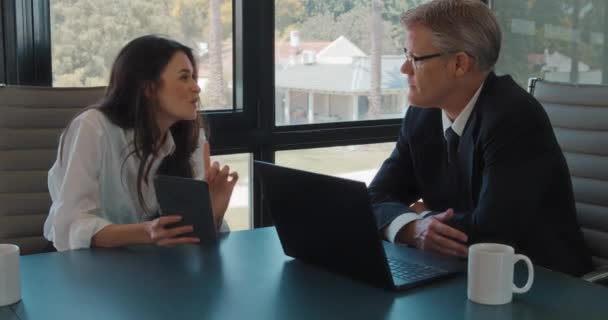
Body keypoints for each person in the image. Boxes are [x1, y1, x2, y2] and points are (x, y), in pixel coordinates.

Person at [368, 0, 592, 276]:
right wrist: (410, 227)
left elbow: (491, 231)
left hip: (539, 283)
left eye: (415, 58)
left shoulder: (514, 116)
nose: (404, 68)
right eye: (406, 54)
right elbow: (376, 196)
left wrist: (421, 220)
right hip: (457, 272)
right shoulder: (421, 116)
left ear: (460, 63)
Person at [44, 35, 238, 251]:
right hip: (92, 270)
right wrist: (146, 232)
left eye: (193, 77)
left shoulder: (190, 139)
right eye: (184, 78)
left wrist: (213, 213)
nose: (196, 88)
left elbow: (189, 239)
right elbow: (70, 225)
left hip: (156, 269)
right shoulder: (93, 128)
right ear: (148, 88)